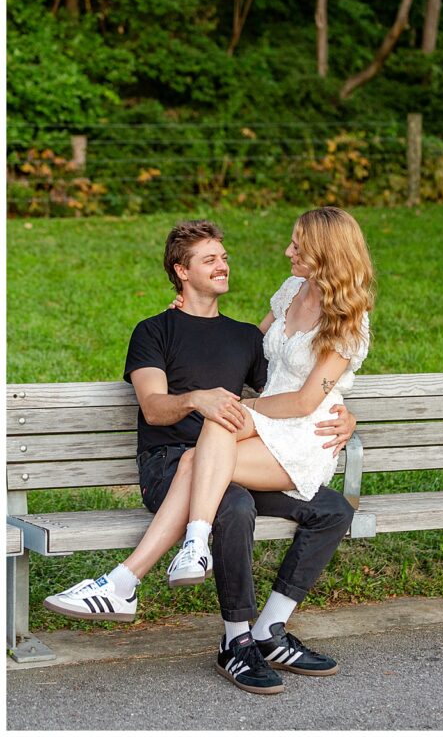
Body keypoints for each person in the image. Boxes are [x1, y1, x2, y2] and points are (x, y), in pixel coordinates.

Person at [45, 211, 371, 695]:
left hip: (237, 452)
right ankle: (236, 642)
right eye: (209, 259)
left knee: (333, 508)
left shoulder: (245, 336)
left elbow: (296, 388)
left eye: (224, 257)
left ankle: (259, 627)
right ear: (181, 269)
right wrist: (199, 398)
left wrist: (344, 415)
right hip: (172, 460)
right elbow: (155, 410)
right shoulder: (155, 331)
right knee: (232, 502)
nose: (224, 265)